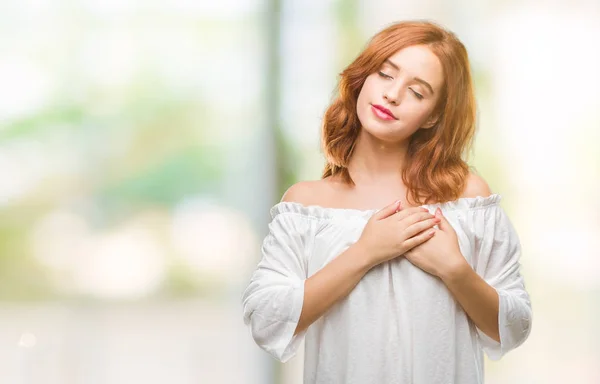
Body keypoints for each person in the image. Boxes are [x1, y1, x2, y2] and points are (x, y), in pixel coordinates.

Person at [242, 20, 532, 384]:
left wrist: (455, 270)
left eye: (417, 92)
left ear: (434, 116)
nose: (392, 95)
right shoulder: (306, 206)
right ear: (363, 78)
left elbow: (514, 326)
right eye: (385, 74)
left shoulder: (468, 200)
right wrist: (364, 252)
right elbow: (266, 320)